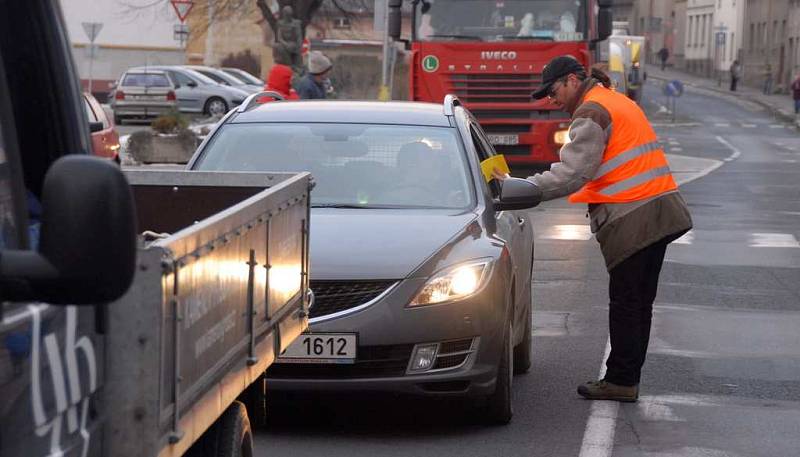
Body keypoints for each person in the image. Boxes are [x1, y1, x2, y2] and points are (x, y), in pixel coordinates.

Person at [493, 56, 692, 402]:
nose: (550, 100)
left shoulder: (591, 111)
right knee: (639, 303)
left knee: (627, 303)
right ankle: (625, 378)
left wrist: (523, 188)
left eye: (552, 91)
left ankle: (620, 381)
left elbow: (573, 174)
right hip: (660, 210)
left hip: (634, 215)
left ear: (571, 80)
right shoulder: (615, 100)